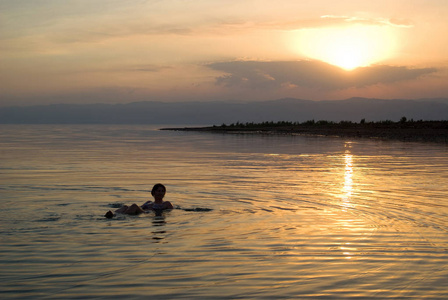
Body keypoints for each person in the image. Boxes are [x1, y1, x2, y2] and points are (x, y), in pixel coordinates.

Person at [105, 183, 173, 218]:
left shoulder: (166, 203)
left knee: (134, 205)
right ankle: (113, 214)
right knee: (125, 206)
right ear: (154, 192)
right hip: (143, 212)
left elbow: (172, 211)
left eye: (162, 191)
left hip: (147, 214)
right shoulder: (149, 202)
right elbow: (140, 207)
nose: (160, 193)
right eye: (158, 191)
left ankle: (115, 216)